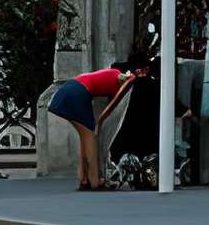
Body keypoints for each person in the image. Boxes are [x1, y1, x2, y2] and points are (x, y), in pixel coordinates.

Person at [49, 55, 146, 191]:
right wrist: (99, 122)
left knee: (85, 138)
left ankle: (84, 179)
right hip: (78, 93)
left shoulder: (110, 75)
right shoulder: (121, 77)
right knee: (90, 138)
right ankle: (94, 181)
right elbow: (113, 104)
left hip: (69, 91)